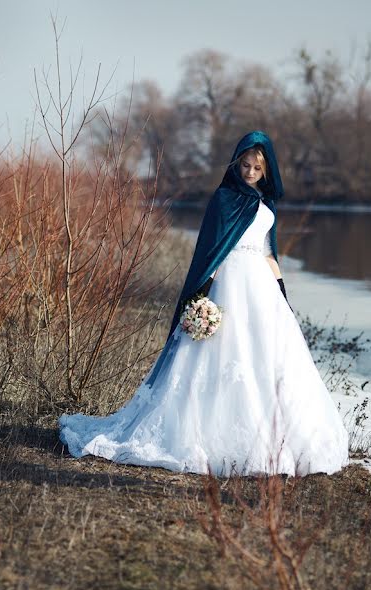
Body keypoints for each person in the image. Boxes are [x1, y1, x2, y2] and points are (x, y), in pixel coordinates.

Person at [59, 131, 349, 476]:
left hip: (261, 288)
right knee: (221, 353)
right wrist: (201, 298)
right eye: (246, 165)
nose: (251, 171)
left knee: (271, 357)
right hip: (230, 285)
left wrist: (281, 291)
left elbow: (269, 252)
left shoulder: (266, 204)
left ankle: (283, 438)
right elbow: (210, 253)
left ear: (267, 169)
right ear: (236, 164)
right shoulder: (224, 199)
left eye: (258, 167)